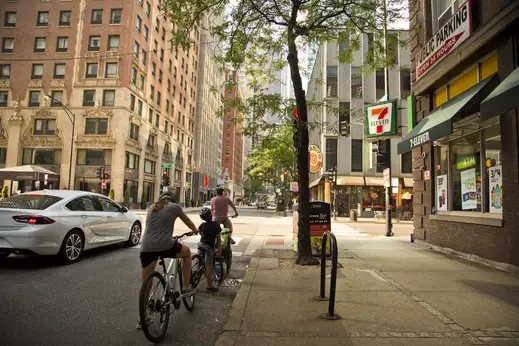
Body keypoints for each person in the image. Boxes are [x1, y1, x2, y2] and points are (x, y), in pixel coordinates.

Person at [137, 191, 198, 329]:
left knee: (146, 284)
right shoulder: (175, 207)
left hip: (146, 247)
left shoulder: (152, 207)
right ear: (173, 200)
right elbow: (188, 221)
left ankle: (142, 319)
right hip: (165, 246)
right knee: (187, 253)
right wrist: (195, 230)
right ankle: (186, 288)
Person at [197, 207, 222, 292]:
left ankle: (198, 271)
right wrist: (219, 248)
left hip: (200, 244)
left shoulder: (202, 225)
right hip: (208, 248)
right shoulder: (215, 225)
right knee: (209, 266)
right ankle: (209, 286)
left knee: (200, 259)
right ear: (211, 216)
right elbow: (218, 238)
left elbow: (199, 232)